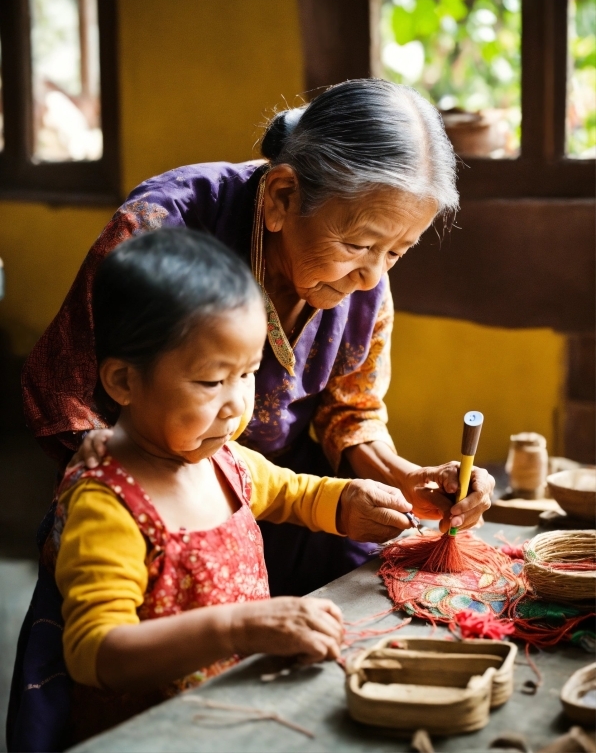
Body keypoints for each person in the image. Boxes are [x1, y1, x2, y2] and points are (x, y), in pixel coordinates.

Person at [22, 78, 494, 597]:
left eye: (397, 252)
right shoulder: (160, 231)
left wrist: (406, 479)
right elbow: (65, 392)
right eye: (359, 244)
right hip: (150, 496)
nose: (372, 277)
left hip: (285, 493)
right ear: (281, 197)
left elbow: (351, 408)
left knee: (379, 595)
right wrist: (145, 488)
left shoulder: (365, 277)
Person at [9, 229, 419, 750]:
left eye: (247, 374)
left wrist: (347, 503)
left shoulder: (225, 461)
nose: (234, 405)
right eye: (210, 382)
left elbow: (293, 493)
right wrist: (235, 629)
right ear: (122, 382)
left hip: (235, 722)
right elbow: (97, 653)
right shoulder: (107, 504)